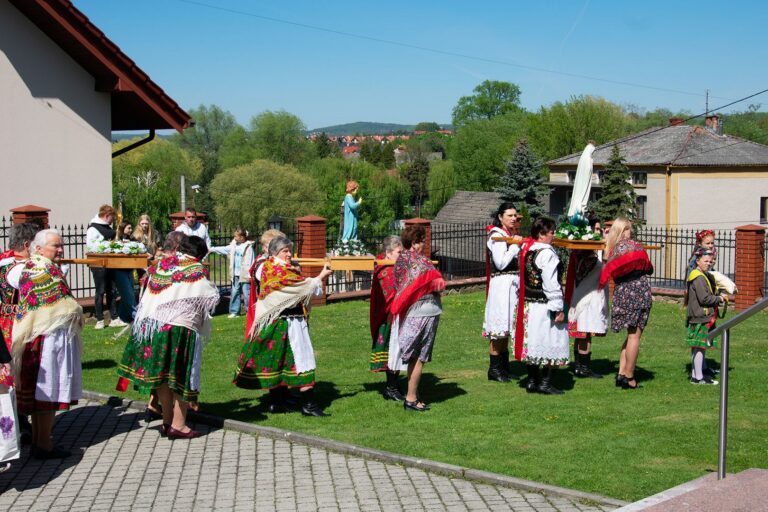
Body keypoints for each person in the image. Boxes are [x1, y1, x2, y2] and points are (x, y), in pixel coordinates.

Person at [117, 236, 219, 439]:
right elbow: (209, 298)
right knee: (182, 375)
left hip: (153, 325)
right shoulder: (196, 270)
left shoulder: (163, 265)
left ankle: (166, 421)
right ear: (200, 254)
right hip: (179, 328)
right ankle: (179, 425)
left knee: (163, 377)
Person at [234, 236, 333, 416]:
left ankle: (280, 401)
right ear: (274, 253)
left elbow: (301, 286)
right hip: (285, 322)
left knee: (286, 361)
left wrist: (304, 275)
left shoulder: (279, 267)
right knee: (301, 360)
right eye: (285, 251)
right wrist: (320, 276)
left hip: (288, 321)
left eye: (289, 250)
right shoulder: (275, 269)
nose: (289, 254)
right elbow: (302, 287)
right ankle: (307, 405)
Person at [11, 229, 83, 459]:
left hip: (49, 337)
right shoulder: (38, 269)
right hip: (45, 339)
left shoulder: (43, 268)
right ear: (39, 248)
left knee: (45, 394)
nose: (61, 249)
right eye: (56, 246)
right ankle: (42, 444)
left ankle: (41, 442)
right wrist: (75, 310)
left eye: (61, 245)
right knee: (46, 392)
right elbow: (57, 304)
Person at [390, 225, 445, 412]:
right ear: (415, 242)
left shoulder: (401, 261)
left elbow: (400, 285)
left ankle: (411, 397)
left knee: (414, 356)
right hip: (424, 311)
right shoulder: (418, 261)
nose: (423, 245)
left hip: (412, 311)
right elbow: (438, 283)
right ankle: (411, 398)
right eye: (422, 241)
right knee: (418, 357)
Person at [514, 217, 569, 395]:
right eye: (552, 232)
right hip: (545, 304)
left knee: (534, 341)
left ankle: (532, 380)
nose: (554, 235)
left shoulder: (528, 250)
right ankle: (544, 382)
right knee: (552, 340)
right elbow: (551, 282)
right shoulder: (547, 253)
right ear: (541, 234)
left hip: (530, 304)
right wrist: (558, 307)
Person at [600, 217, 654, 390]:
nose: (631, 232)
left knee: (630, 334)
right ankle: (630, 377)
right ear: (624, 230)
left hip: (622, 292)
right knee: (635, 336)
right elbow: (648, 267)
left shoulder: (612, 249)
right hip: (638, 291)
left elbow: (610, 272)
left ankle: (621, 373)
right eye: (629, 229)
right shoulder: (634, 246)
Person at [0, 222, 39, 445]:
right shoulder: (21, 269)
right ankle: (21, 424)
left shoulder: (4, 264)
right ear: (26, 244)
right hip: (19, 323)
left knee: (16, 375)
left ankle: (19, 423)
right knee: (20, 373)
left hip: (5, 321)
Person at [482, 202, 522, 383]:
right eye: (510, 215)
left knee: (506, 327)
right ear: (500, 217)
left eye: (515, 215)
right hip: (501, 286)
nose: (513, 218)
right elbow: (500, 263)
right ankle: (494, 370)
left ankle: (504, 368)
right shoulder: (496, 235)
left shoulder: (509, 235)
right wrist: (514, 247)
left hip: (511, 285)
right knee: (498, 330)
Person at [565, 216, 607, 379]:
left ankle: (580, 365)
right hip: (585, 298)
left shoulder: (588, 252)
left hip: (588, 296)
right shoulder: (585, 254)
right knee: (584, 331)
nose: (599, 232)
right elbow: (602, 269)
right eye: (596, 229)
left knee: (584, 332)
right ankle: (583, 367)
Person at [369, 235, 405, 401]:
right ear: (389, 253)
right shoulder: (385, 270)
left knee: (398, 350)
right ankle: (390, 387)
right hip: (389, 317)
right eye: (399, 252)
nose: (402, 255)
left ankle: (394, 384)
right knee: (393, 351)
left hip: (397, 314)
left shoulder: (392, 266)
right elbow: (391, 295)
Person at [685, 249, 726, 385]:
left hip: (698, 316)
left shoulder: (701, 275)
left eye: (710, 261)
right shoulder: (698, 277)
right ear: (698, 261)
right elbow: (704, 299)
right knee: (699, 346)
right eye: (705, 261)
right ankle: (698, 377)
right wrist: (719, 298)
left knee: (698, 347)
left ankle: (697, 374)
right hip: (700, 317)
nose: (708, 263)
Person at [243, 229, 285, 340]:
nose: (264, 249)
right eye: (266, 246)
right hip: (266, 310)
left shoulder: (275, 263)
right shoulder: (263, 264)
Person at [86, 204, 120, 329]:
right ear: (107, 216)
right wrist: (108, 245)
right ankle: (99, 319)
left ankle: (114, 318)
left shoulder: (106, 227)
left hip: (109, 263)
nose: (113, 221)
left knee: (111, 290)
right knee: (100, 291)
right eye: (112, 218)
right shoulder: (93, 229)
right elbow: (91, 246)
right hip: (98, 264)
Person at [210, 228, 254, 318]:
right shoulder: (234, 245)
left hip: (245, 274)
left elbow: (251, 260)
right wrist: (212, 249)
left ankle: (249, 311)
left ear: (241, 237)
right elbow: (225, 249)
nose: (234, 238)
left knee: (247, 293)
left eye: (235, 236)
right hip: (235, 273)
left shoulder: (248, 246)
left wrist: (250, 273)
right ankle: (235, 312)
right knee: (234, 292)